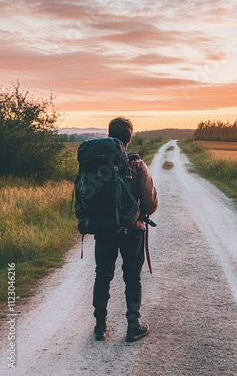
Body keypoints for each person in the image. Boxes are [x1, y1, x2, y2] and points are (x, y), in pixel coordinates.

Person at [92, 117, 158, 342]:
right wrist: (141, 213)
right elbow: (150, 201)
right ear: (129, 138)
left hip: (103, 230)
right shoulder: (136, 164)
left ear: (109, 135)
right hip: (132, 230)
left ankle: (100, 327)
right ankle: (132, 327)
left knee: (102, 276)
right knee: (132, 278)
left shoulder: (96, 164)